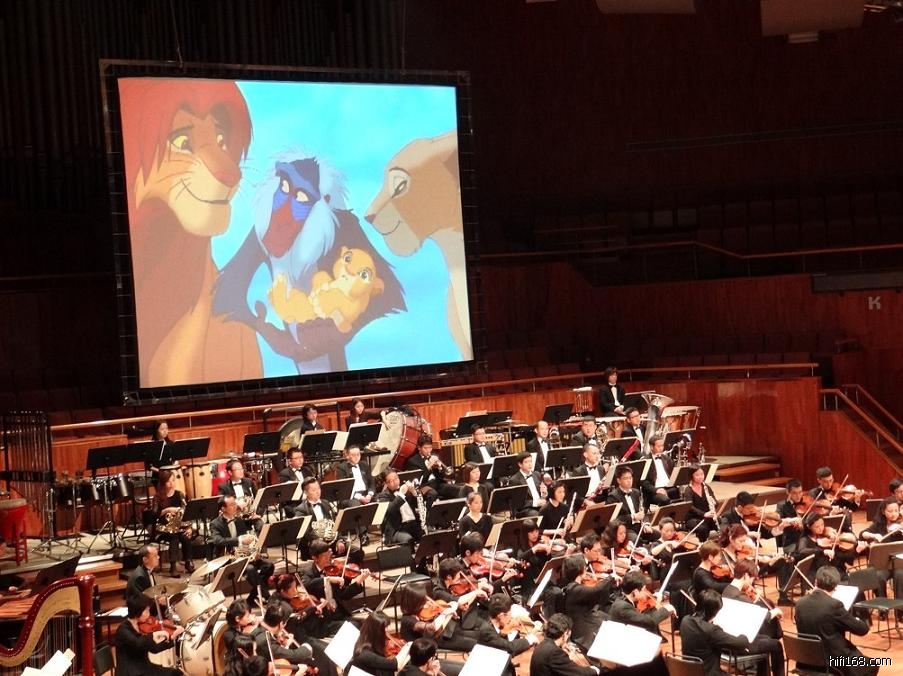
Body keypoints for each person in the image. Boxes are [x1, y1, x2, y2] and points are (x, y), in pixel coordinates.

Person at [795, 565, 877, 676]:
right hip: (833, 660)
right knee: (871, 666)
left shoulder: (800, 603)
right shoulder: (834, 605)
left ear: (816, 582)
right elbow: (862, 630)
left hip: (806, 659)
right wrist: (855, 619)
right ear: (835, 586)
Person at [721, 559, 786, 676]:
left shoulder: (727, 590)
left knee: (766, 639)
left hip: (729, 640)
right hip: (740, 644)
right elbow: (762, 617)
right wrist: (775, 611)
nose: (751, 582)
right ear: (745, 575)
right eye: (751, 578)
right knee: (776, 645)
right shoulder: (739, 597)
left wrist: (754, 600)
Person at [209, 495, 274, 605]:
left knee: (269, 566)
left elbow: (246, 539)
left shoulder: (238, 520)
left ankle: (250, 599)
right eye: (232, 505)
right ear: (223, 508)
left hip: (242, 556)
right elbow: (217, 541)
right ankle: (267, 596)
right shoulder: (215, 523)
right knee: (251, 569)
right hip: (227, 558)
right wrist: (239, 540)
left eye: (235, 503)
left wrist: (254, 552)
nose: (236, 506)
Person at [299, 538, 369, 637]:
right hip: (324, 620)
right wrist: (328, 579)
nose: (329, 558)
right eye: (325, 556)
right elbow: (307, 584)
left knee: (368, 623)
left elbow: (344, 595)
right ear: (315, 558)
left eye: (329, 554)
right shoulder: (307, 572)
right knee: (355, 627)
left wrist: (359, 581)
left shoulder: (332, 570)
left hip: (338, 614)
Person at [680, 589, 755, 676]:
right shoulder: (711, 630)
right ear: (712, 612)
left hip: (688, 672)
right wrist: (744, 634)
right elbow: (742, 643)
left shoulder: (685, 621)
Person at [293, 477, 363, 563]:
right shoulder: (300, 510)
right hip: (315, 545)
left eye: (318, 488)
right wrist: (323, 539)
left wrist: (339, 540)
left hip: (332, 542)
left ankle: (344, 569)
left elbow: (335, 524)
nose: (317, 492)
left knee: (358, 552)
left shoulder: (325, 503)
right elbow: (306, 533)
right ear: (305, 492)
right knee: (324, 553)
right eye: (314, 490)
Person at [115, 595, 184, 676]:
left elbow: (154, 649)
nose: (149, 614)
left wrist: (172, 637)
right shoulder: (123, 630)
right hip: (131, 672)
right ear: (137, 611)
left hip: (145, 668)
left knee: (176, 673)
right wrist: (154, 635)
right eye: (146, 611)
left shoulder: (140, 626)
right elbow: (138, 643)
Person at [558, 554, 614, 651]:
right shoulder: (575, 589)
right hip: (581, 629)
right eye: (584, 567)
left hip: (586, 617)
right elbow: (596, 590)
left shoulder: (572, 585)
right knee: (609, 633)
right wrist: (610, 578)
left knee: (611, 621)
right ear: (580, 569)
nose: (586, 568)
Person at [608, 570, 674, 638]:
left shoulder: (623, 599)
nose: (646, 592)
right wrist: (665, 610)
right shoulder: (623, 608)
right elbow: (648, 622)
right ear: (635, 591)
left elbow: (642, 617)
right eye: (643, 590)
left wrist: (655, 601)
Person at [153, 468, 195, 577]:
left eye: (173, 480)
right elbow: (154, 515)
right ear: (163, 483)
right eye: (168, 481)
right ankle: (173, 566)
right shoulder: (157, 497)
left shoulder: (179, 494)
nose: (171, 483)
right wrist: (167, 510)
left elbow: (186, 512)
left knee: (185, 536)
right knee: (174, 537)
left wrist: (189, 527)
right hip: (164, 529)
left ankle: (188, 561)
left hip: (178, 527)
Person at [529, 613, 599, 676]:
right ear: (566, 633)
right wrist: (594, 670)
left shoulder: (544, 643)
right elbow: (577, 673)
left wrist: (565, 653)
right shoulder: (554, 653)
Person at [334, 444, 375, 543]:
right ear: (347, 456)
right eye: (353, 455)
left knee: (382, 499)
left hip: (366, 494)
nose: (357, 457)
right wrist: (360, 497)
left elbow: (371, 482)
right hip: (350, 496)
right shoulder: (341, 468)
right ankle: (363, 535)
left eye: (358, 454)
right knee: (355, 504)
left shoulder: (364, 465)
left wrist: (370, 494)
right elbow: (344, 488)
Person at [349, 610, 410, 676]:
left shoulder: (365, 639)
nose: (387, 631)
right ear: (376, 631)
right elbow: (396, 664)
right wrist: (407, 647)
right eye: (384, 628)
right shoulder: (365, 654)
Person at [376, 469, 423, 544]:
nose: (395, 482)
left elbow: (417, 505)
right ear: (386, 483)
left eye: (396, 478)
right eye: (391, 481)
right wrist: (401, 494)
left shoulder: (405, 490)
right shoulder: (383, 496)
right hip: (397, 529)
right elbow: (391, 509)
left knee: (427, 536)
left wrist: (414, 492)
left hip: (413, 524)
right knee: (408, 539)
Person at [404, 436, 457, 500]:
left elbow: (440, 478)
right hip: (423, 487)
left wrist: (439, 468)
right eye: (425, 448)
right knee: (433, 493)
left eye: (430, 447)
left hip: (436, 484)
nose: (428, 450)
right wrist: (429, 466)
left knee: (457, 489)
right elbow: (419, 481)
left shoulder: (433, 456)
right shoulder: (413, 461)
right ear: (419, 448)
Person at [681, 465, 720, 541]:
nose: (700, 477)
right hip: (693, 518)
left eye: (702, 474)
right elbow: (690, 507)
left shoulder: (706, 487)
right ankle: (703, 545)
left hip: (708, 516)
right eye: (697, 475)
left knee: (722, 523)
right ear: (691, 476)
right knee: (703, 529)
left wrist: (714, 503)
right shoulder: (688, 490)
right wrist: (703, 514)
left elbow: (715, 502)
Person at [605, 465, 646, 535]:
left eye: (630, 478)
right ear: (618, 480)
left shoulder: (636, 492)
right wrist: (633, 517)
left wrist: (646, 524)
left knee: (656, 534)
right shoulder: (613, 497)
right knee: (635, 538)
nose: (629, 480)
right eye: (625, 478)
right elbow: (614, 519)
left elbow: (642, 511)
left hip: (639, 525)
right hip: (625, 528)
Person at [507, 451, 547, 518]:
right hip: (525, 509)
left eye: (530, 461)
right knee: (535, 514)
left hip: (539, 505)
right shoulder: (514, 480)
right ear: (520, 464)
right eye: (526, 462)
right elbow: (518, 502)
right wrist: (535, 503)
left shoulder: (537, 474)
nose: (530, 464)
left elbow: (542, 494)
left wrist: (544, 494)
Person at [277, 446, 314, 516]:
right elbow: (285, 496)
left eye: (301, 457)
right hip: (294, 504)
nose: (300, 460)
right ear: (289, 461)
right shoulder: (284, 473)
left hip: (308, 502)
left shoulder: (307, 470)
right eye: (297, 458)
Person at [641, 435, 676, 506]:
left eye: (662, 446)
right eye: (658, 446)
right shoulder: (645, 461)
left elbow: (673, 474)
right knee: (664, 499)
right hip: (655, 491)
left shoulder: (667, 459)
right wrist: (656, 490)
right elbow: (644, 482)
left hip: (669, 488)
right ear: (651, 447)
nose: (661, 448)